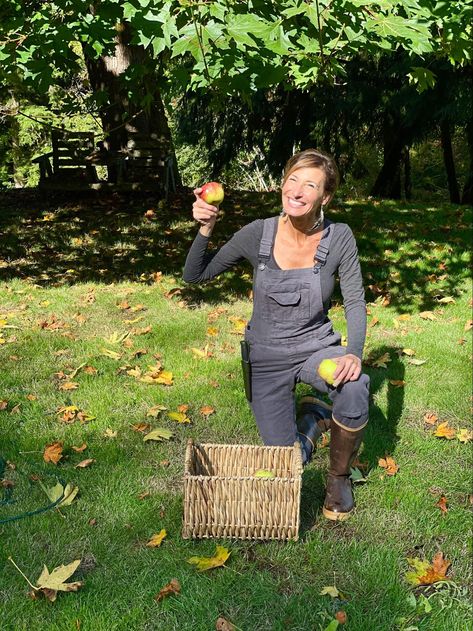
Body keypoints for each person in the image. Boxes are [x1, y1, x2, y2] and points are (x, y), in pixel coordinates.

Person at [183, 149, 369, 521]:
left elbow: (354, 300)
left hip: (317, 348)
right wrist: (205, 227)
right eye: (293, 180)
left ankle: (338, 479)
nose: (297, 191)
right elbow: (195, 275)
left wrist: (353, 352)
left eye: (310, 185)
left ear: (325, 197)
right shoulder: (258, 234)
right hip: (266, 357)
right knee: (287, 463)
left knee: (355, 385)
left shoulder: (340, 237)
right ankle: (311, 422)